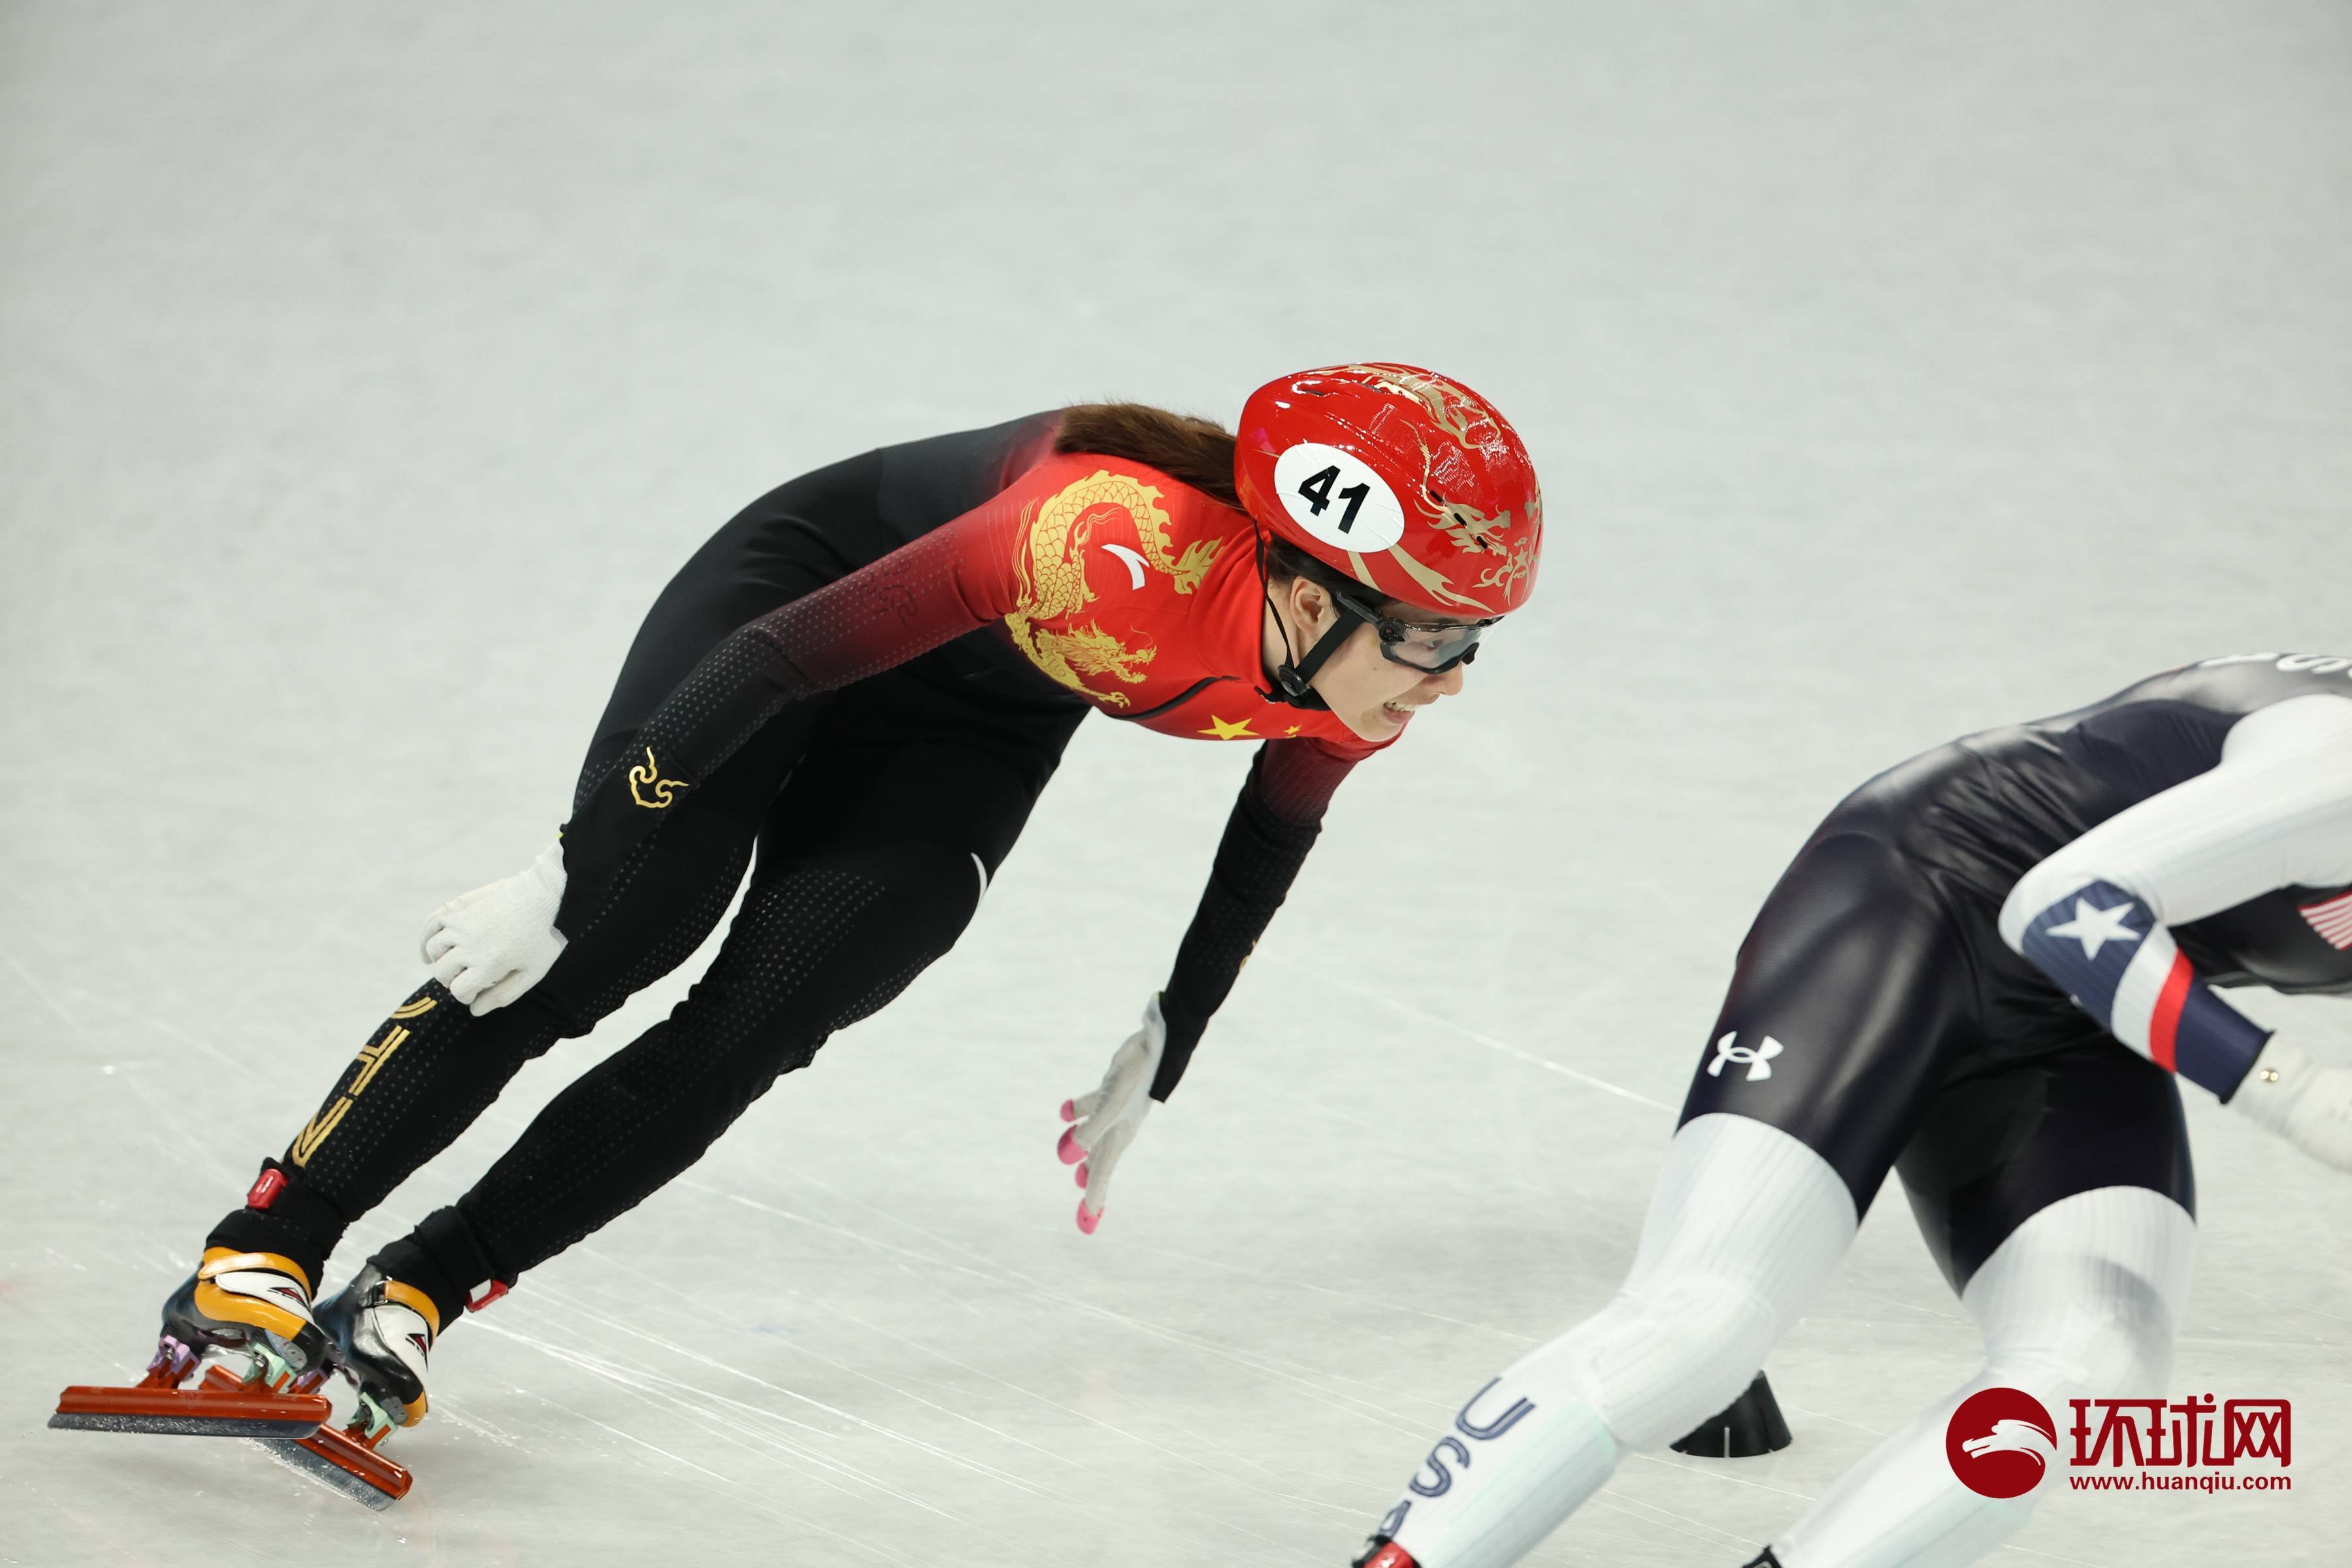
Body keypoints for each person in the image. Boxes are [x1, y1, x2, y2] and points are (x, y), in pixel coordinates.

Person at [65, 365, 1546, 1488]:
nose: (1448, 683)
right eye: (1432, 643)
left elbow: (1263, 850)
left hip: (968, 725)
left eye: (1469, 646)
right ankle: (262, 1246)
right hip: (798, 617)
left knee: (768, 1015)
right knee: (610, 934)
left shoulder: (1355, 680)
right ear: (1306, 586)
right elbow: (784, 654)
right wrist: (571, 861)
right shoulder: (1096, 542)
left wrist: (1171, 1038)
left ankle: (420, 1287)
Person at [1353, 653, 2352, 1568]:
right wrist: (2293, 1095)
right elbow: (2067, 909)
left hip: (2076, 1006)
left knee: (2094, 1372)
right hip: (1917, 897)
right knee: (1698, 1326)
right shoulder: (2334, 768)